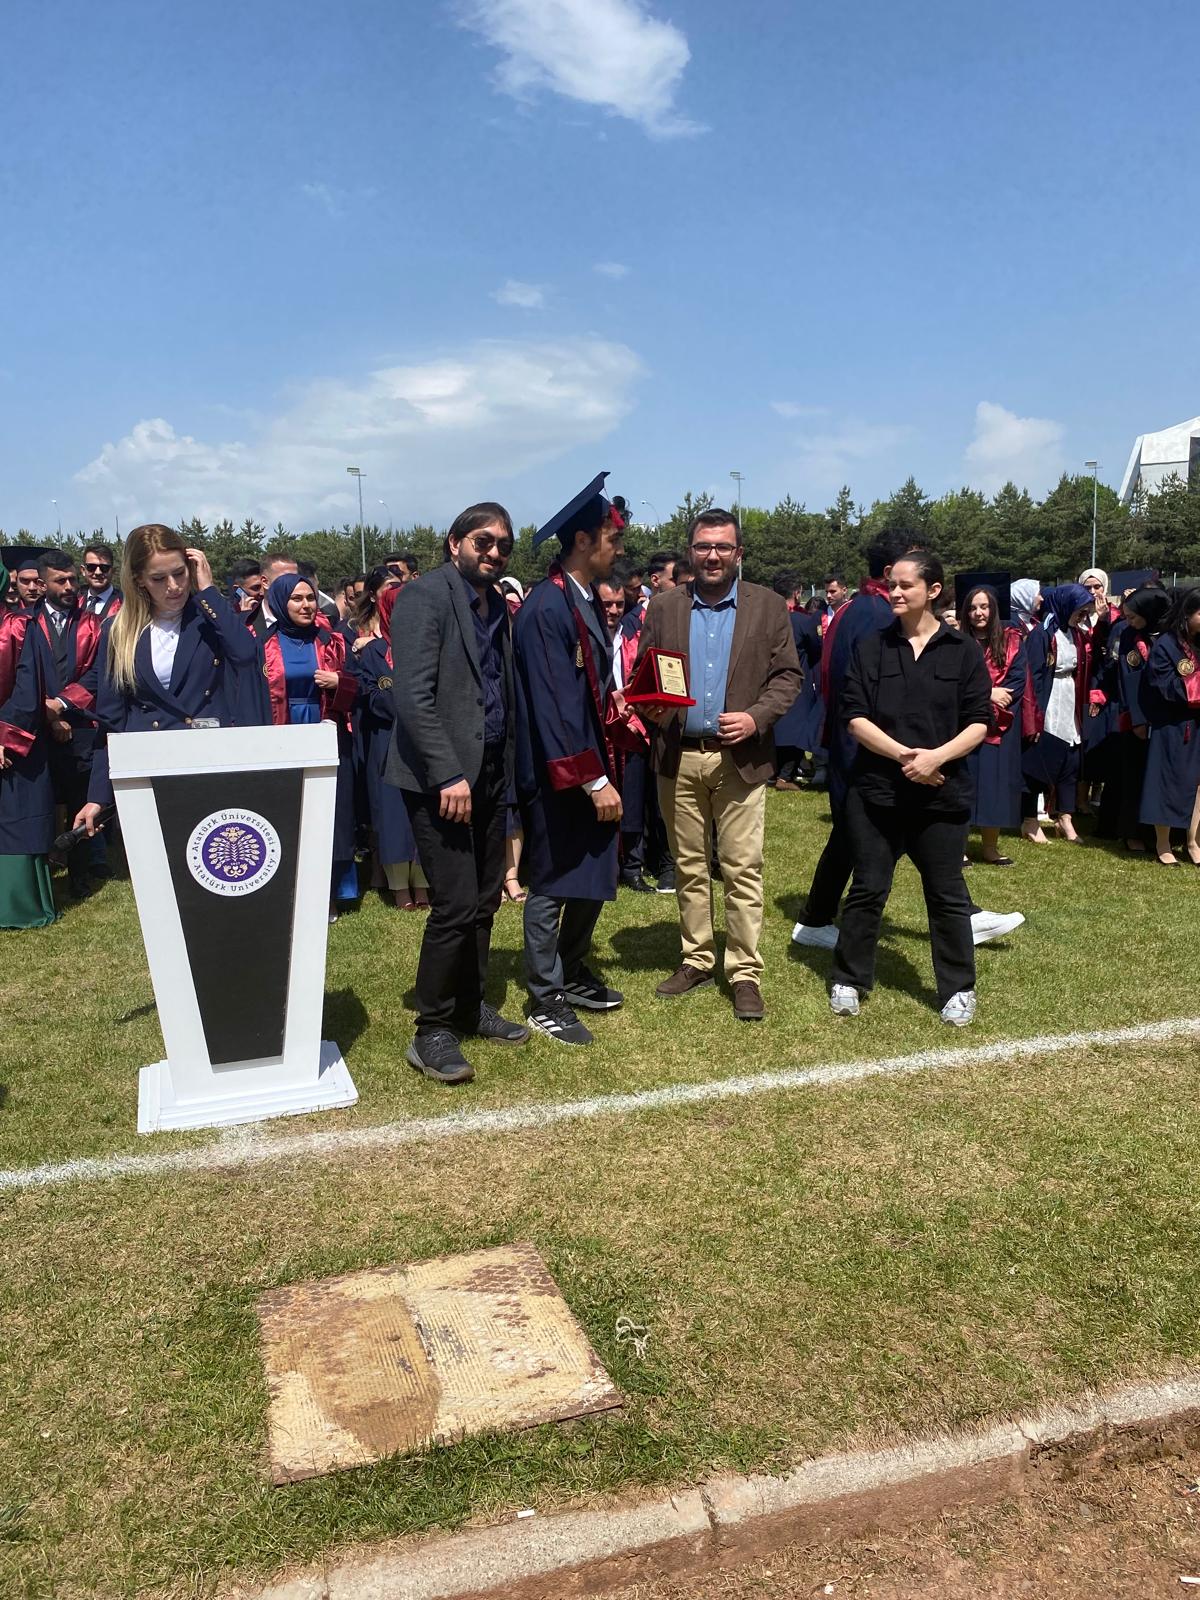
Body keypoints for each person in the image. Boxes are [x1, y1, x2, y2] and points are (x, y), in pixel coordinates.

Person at [638, 508, 801, 1021]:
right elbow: (646, 673)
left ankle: (745, 971)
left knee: (741, 867)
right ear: (691, 552)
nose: (712, 556)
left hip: (741, 759)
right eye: (703, 546)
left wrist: (755, 718)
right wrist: (651, 705)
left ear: (738, 554)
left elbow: (788, 677)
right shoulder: (664, 606)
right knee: (688, 866)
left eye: (722, 547)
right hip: (679, 756)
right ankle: (697, 959)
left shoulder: (767, 606)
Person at [386, 502, 528, 1083]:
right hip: (440, 778)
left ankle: (470, 1006)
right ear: (455, 543)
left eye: (503, 545)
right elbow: (412, 696)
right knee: (455, 904)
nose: (493, 552)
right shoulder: (424, 596)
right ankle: (432, 1029)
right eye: (482, 541)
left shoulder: (496, 605)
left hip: (490, 768)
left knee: (487, 896)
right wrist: (448, 773)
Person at [829, 551, 992, 1025]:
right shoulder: (872, 646)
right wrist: (907, 757)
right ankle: (848, 978)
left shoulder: (963, 651)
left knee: (946, 894)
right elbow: (854, 717)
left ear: (933, 590)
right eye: (892, 585)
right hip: (876, 794)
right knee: (868, 888)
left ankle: (958, 989)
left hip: (942, 795)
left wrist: (936, 759)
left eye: (906, 585)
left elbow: (979, 721)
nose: (895, 593)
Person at [512, 473, 632, 1045]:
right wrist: (592, 780)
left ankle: (573, 968)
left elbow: (584, 688)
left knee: (592, 871)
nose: (619, 550)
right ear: (584, 540)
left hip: (590, 762)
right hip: (561, 774)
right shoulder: (546, 607)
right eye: (614, 539)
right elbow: (553, 705)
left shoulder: (579, 599)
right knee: (554, 880)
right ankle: (545, 995)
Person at [73, 525, 267, 825]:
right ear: (139, 579)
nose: (174, 586)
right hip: (148, 768)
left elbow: (245, 654)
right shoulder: (118, 631)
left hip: (211, 763)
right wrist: (98, 795)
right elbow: (111, 719)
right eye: (159, 578)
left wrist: (209, 591)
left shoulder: (210, 616)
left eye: (179, 573)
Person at [262, 572, 360, 917]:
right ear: (280, 602)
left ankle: (329, 892)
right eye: (297, 599)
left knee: (328, 813)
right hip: (283, 733)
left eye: (310, 598)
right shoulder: (263, 644)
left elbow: (360, 688)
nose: (306, 605)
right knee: (290, 813)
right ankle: (291, 891)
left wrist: (339, 682)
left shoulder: (333, 641)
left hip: (326, 731)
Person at [29, 551, 102, 897]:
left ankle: (80, 876)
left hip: (80, 726)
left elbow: (98, 673)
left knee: (79, 804)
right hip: (35, 727)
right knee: (39, 805)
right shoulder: (23, 623)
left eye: (73, 579)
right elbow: (17, 675)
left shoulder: (92, 625)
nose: (70, 586)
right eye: (61, 581)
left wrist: (60, 705)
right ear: (43, 584)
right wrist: (44, 710)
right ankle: (40, 876)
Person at [351, 581, 428, 909]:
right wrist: (406, 706)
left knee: (424, 812)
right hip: (387, 739)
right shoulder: (372, 652)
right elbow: (370, 695)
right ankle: (399, 887)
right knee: (393, 813)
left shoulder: (428, 648)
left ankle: (423, 885)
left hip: (424, 739)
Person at [615, 551, 680, 894]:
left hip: (671, 721)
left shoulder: (681, 618)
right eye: (675, 580)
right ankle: (635, 863)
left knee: (667, 798)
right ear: (656, 581)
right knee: (638, 797)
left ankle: (667, 863)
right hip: (637, 723)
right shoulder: (629, 623)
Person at [0, 559, 57, 927]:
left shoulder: (18, 627)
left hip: (14, 746)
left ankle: (16, 904)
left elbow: (28, 692)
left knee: (16, 815)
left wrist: (4, 737)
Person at [1019, 583, 1093, 844]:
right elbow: (1033, 676)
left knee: (1071, 758)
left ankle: (1065, 816)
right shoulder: (1042, 634)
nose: (1083, 616)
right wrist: (1035, 714)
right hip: (1049, 699)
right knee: (1041, 759)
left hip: (1069, 695)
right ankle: (1030, 820)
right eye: (1080, 610)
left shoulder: (1075, 633)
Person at [961, 583, 1027, 865]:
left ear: (994, 609)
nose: (979, 613)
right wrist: (988, 694)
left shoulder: (1012, 641)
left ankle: (990, 847)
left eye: (984, 606)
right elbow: (952, 682)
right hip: (962, 724)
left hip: (1002, 724)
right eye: (973, 608)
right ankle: (960, 848)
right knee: (964, 785)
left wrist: (997, 701)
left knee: (995, 787)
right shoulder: (956, 641)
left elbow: (1017, 682)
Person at [1140, 586, 1200, 866]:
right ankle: (1163, 843)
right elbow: (1164, 686)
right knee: (1167, 781)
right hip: (1174, 724)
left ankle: (1193, 841)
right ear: (1187, 613)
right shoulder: (1166, 644)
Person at [1115, 584, 1172, 852]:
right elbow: (1129, 677)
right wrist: (1137, 719)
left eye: (1133, 616)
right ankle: (1133, 831)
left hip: (1168, 715)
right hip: (1139, 714)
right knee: (1135, 774)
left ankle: (1164, 834)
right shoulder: (1130, 637)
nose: (1129, 621)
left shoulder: (1171, 635)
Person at [243, 555, 298, 638]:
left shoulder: (313, 622)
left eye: (296, 579)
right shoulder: (245, 625)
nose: (293, 584)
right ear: (265, 582)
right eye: (285, 579)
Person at [79, 542, 123, 620]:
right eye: (91, 567)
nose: (98, 572)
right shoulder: (75, 603)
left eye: (104, 568)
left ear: (113, 571)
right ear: (83, 570)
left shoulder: (125, 604)